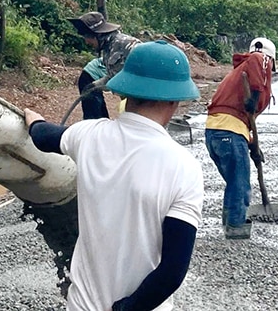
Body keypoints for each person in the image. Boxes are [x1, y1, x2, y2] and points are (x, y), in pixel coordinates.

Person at [24, 40, 203, 310]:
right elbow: (172, 271)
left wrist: (32, 118)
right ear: (174, 101)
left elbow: (44, 137)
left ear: (124, 92)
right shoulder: (183, 167)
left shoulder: (90, 135)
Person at [204, 37, 276, 239]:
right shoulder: (258, 59)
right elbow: (258, 58)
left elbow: (239, 116)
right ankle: (236, 228)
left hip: (216, 132)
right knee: (240, 182)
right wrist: (253, 98)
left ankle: (230, 223)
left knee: (235, 181)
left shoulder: (237, 73)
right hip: (229, 133)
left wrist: (253, 146)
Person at [68, 12, 140, 119]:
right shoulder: (108, 48)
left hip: (142, 99)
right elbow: (114, 76)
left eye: (88, 37)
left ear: (99, 35)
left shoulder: (126, 44)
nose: (86, 41)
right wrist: (95, 85)